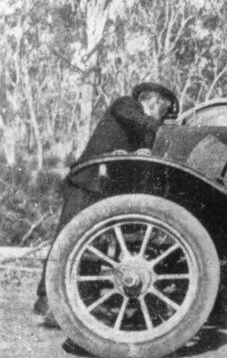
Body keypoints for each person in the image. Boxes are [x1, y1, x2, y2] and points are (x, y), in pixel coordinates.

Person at [34, 82, 178, 324]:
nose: (160, 116)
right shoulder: (126, 104)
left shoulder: (140, 126)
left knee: (91, 246)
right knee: (66, 239)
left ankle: (84, 301)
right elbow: (142, 122)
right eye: (162, 110)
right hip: (85, 182)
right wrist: (165, 129)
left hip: (102, 188)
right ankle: (45, 301)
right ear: (155, 101)